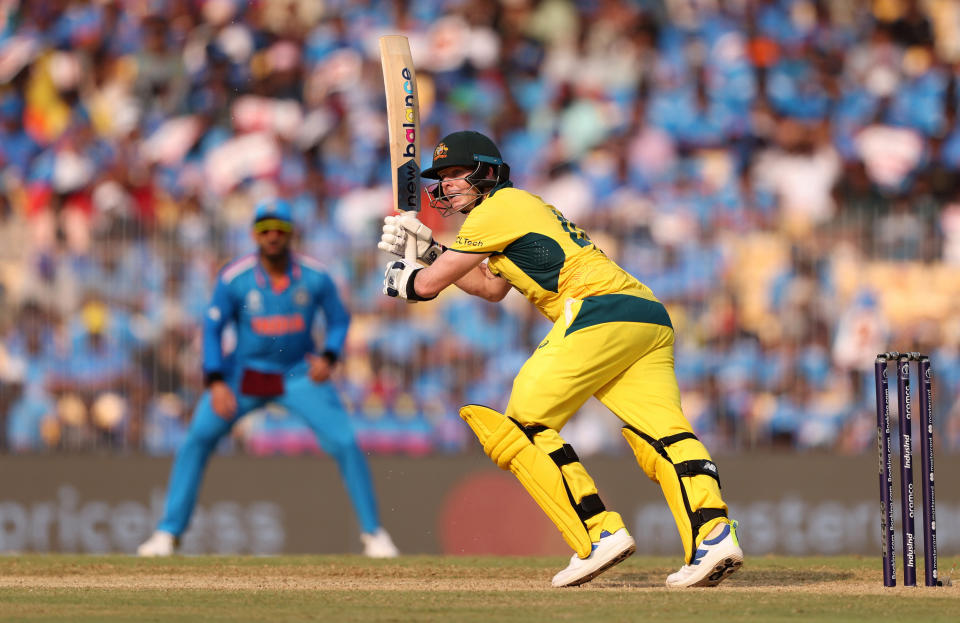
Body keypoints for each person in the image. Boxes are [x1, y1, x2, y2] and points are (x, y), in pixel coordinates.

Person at [378, 131, 742, 587]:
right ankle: (713, 537)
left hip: (596, 310)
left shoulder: (496, 210)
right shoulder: (511, 211)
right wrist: (430, 250)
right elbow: (491, 289)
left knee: (523, 424)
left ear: (488, 173)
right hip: (645, 315)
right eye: (443, 178)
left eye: (456, 175)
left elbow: (427, 287)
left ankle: (597, 534)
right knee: (664, 434)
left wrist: (401, 275)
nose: (447, 185)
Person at [138, 199, 398, 558]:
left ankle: (374, 534)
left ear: (291, 233)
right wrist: (214, 381)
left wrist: (330, 355)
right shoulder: (235, 278)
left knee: (346, 442)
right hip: (245, 376)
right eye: (265, 229)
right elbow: (212, 330)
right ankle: (168, 534)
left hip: (297, 375)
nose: (272, 236)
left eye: (279, 229)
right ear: (254, 234)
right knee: (196, 439)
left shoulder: (315, 276)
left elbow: (339, 320)